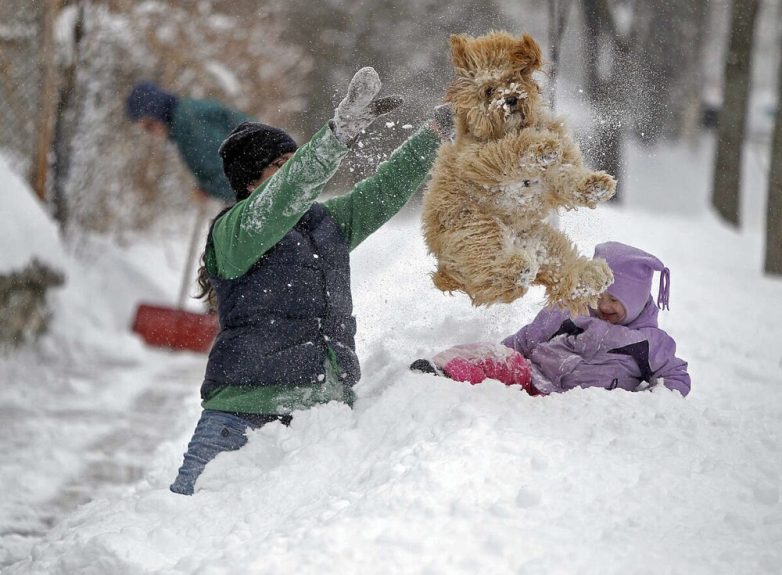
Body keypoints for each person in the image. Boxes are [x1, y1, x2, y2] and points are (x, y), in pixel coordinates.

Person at [170, 67, 448, 495]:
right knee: (181, 543)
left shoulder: (323, 224)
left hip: (319, 423)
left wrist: (435, 133)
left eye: (295, 161)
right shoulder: (236, 231)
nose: (298, 173)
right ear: (250, 182)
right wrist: (339, 134)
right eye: (281, 166)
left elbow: (384, 191)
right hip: (241, 424)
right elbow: (287, 193)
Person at [412, 241, 691, 397]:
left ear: (635, 300)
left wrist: (655, 400)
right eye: (598, 295)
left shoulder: (649, 343)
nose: (603, 305)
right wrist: (503, 357)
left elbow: (675, 375)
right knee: (498, 356)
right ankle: (443, 370)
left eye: (614, 300)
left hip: (585, 401)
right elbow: (524, 341)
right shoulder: (570, 310)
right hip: (535, 378)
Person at [126, 81, 251, 204]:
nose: (151, 133)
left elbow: (229, 174)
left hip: (261, 183)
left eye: (149, 125)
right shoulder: (187, 115)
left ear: (158, 112)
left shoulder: (187, 127)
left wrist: (209, 189)